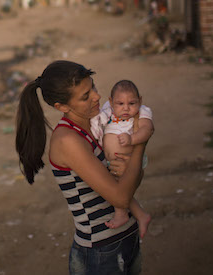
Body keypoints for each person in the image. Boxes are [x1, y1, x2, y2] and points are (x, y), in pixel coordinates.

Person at [15, 60, 148, 275]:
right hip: (101, 253)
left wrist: (131, 169)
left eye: (92, 87)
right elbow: (121, 198)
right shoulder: (68, 140)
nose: (96, 96)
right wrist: (140, 142)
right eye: (85, 96)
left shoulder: (98, 125)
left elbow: (130, 182)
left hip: (126, 241)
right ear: (62, 107)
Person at [89, 80, 153, 236]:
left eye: (132, 103)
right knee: (114, 186)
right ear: (111, 102)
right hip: (113, 162)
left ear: (140, 100)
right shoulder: (108, 111)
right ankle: (141, 215)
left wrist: (132, 139)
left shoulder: (142, 111)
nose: (126, 108)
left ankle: (121, 214)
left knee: (118, 189)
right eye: (120, 103)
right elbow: (98, 121)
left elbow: (147, 129)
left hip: (129, 161)